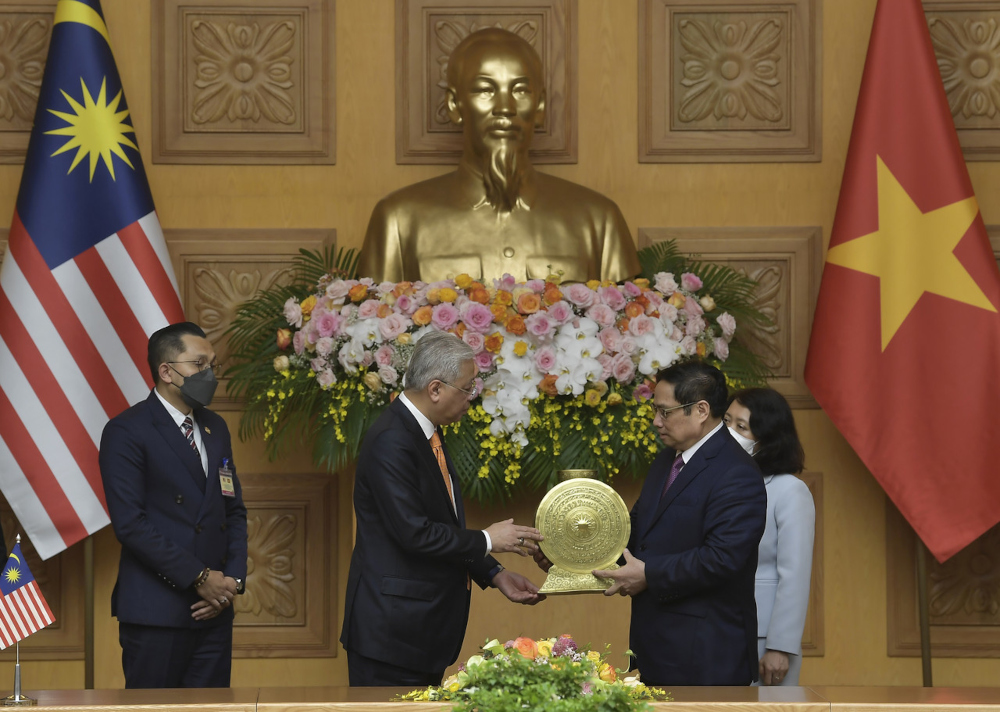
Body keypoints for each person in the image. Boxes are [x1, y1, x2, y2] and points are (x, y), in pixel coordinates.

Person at [340, 330, 546, 686]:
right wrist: (487, 539)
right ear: (435, 389)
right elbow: (415, 533)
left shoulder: (426, 431)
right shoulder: (393, 439)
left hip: (416, 633)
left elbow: (441, 523)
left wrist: (494, 573)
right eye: (467, 389)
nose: (471, 398)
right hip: (391, 635)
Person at [358, 28, 641, 284]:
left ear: (540, 106)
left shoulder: (599, 221)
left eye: (519, 90)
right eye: (485, 90)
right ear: (455, 105)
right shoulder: (398, 220)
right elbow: (377, 331)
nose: (505, 107)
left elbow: (627, 326)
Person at [591, 361, 766, 686]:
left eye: (665, 412)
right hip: (656, 646)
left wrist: (649, 575)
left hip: (706, 654)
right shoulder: (667, 459)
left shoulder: (736, 472)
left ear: (701, 410)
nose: (656, 421)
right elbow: (638, 530)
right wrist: (576, 553)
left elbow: (722, 558)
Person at [99, 322, 248, 688]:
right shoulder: (127, 430)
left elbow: (233, 511)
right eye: (199, 365)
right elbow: (131, 525)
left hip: (214, 612)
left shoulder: (215, 427)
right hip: (157, 613)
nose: (210, 374)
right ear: (167, 371)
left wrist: (231, 582)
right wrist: (200, 578)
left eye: (213, 364)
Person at [725, 388, 815, 686]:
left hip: (766, 636)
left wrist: (781, 645)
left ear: (767, 438)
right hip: (718, 629)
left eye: (741, 426)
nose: (729, 432)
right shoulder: (720, 484)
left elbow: (795, 574)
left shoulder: (789, 489)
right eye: (725, 421)